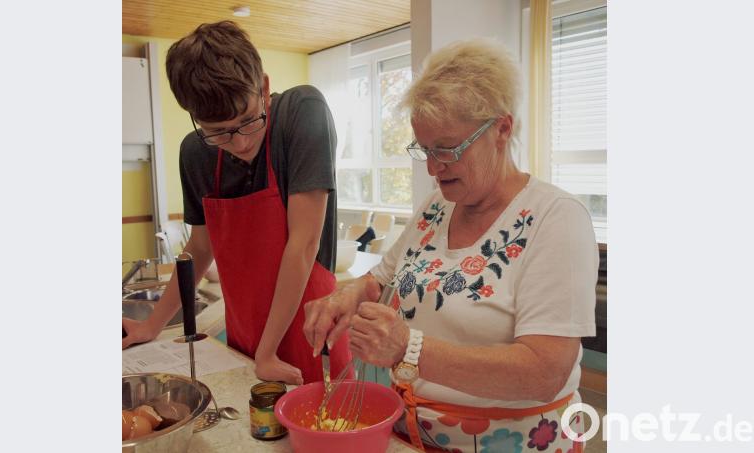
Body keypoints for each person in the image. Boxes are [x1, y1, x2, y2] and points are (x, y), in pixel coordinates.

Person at [304, 39, 598, 452]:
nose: (431, 167)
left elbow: (545, 371)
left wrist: (409, 348)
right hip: (413, 434)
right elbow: (381, 279)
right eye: (424, 149)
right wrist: (347, 294)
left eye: (447, 149)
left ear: (502, 128)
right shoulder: (439, 205)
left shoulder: (556, 218)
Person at [122, 20, 351, 386]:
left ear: (263, 86)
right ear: (195, 118)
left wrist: (268, 350)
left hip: (314, 333)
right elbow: (199, 246)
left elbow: (303, 245)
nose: (241, 143)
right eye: (218, 131)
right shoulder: (195, 153)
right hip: (247, 341)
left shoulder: (301, 113)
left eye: (248, 121)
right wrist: (153, 323)